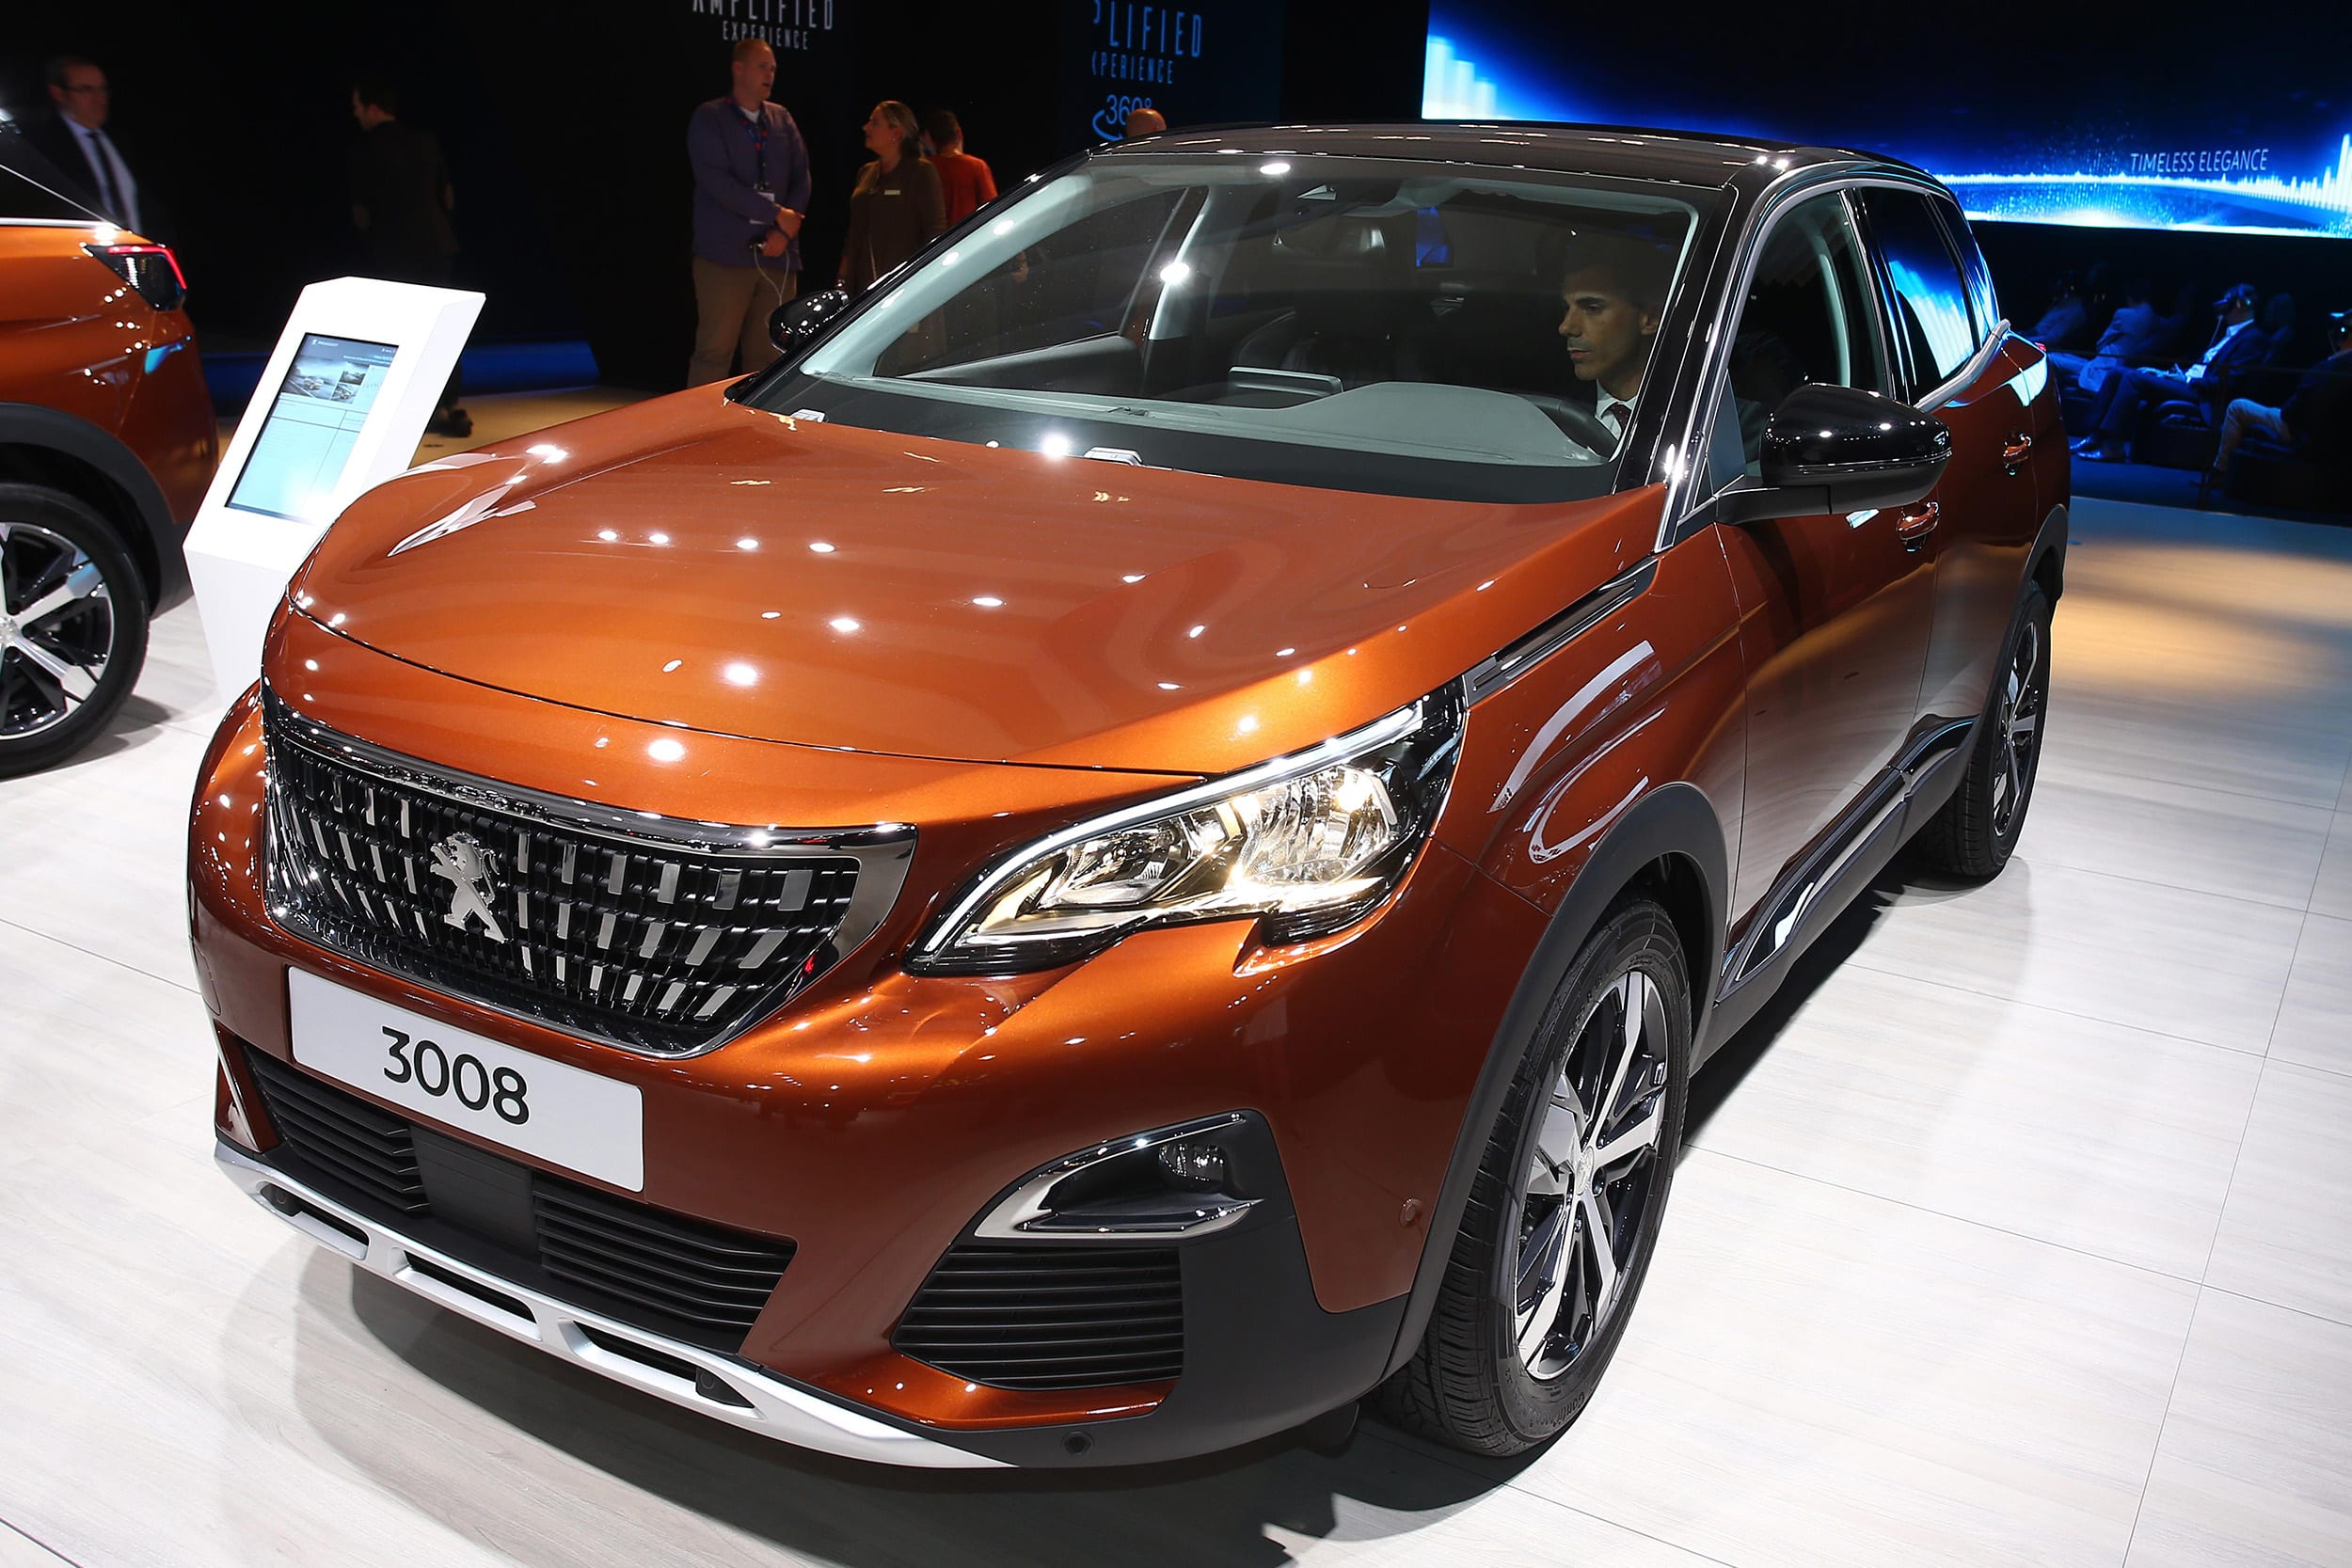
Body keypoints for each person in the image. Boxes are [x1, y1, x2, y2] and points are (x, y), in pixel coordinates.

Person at [688, 39, 812, 386]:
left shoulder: (782, 118)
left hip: (778, 257)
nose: (770, 74)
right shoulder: (710, 118)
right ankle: (700, 420)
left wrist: (784, 230)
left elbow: (802, 178)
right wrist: (775, 213)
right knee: (714, 353)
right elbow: (716, 181)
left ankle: (758, 421)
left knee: (769, 358)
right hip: (724, 258)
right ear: (738, 69)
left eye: (773, 68)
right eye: (762, 66)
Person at [350, 76, 469, 437]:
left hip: (395, 250)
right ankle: (449, 404)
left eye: (356, 107)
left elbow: (361, 210)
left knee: (398, 331)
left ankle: (407, 410)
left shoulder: (367, 148)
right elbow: (447, 195)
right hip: (437, 244)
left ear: (372, 108)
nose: (355, 115)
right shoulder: (425, 140)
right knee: (441, 330)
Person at [2075, 283, 2267, 462]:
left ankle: (2113, 446)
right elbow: (2201, 367)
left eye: (2228, 303)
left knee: (2132, 378)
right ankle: (2094, 435)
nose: (2222, 308)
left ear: (2242, 305)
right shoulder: (2226, 334)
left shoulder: (2253, 339)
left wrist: (2187, 381)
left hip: (2202, 394)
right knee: (2116, 373)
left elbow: (2229, 382)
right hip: (2187, 381)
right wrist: (2167, 374)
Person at [1555, 231, 1670, 448]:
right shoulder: (1550, 416)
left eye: (1592, 308)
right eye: (1566, 308)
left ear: (1650, 318)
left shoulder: (1705, 414)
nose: (1566, 327)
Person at [2211, 309, 2352, 479]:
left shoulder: (2327, 368)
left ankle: (2218, 473)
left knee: (2237, 406)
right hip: (2337, 445)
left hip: (2302, 433)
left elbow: (2289, 413)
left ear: (2343, 333)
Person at [24, 55, 155, 236]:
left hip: (136, 248)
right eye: (86, 90)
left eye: (102, 89)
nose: (100, 99)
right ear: (58, 93)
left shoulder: (121, 140)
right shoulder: (42, 146)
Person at [837, 102, 944, 295]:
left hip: (906, 289)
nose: (866, 127)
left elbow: (934, 232)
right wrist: (842, 280)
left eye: (875, 123)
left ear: (897, 133)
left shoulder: (921, 172)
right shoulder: (866, 172)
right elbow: (853, 236)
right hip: (862, 289)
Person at [2048, 276, 2162, 394]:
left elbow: (2100, 344)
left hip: (2102, 370)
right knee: (2062, 355)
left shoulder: (2124, 314)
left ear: (2130, 295)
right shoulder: (2156, 321)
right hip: (2111, 367)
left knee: (2050, 358)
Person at [924, 109, 996, 227]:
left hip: (937, 237)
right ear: (959, 133)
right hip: (971, 234)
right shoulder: (977, 166)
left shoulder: (925, 168)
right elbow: (992, 208)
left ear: (931, 139)